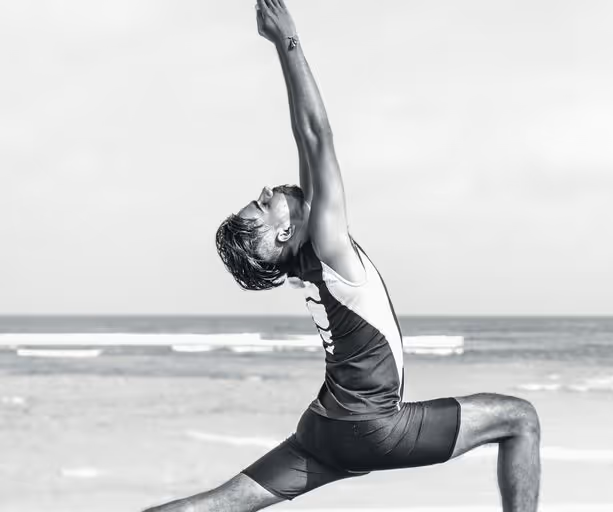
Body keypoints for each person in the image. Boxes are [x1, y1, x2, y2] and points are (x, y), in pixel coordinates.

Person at [143, 1, 540, 510]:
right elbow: (316, 136)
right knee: (519, 418)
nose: (269, 190)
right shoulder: (327, 246)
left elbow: (306, 148)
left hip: (323, 431)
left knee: (219, 504)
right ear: (285, 231)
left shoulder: (308, 259)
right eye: (265, 203)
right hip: (372, 427)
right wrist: (288, 41)